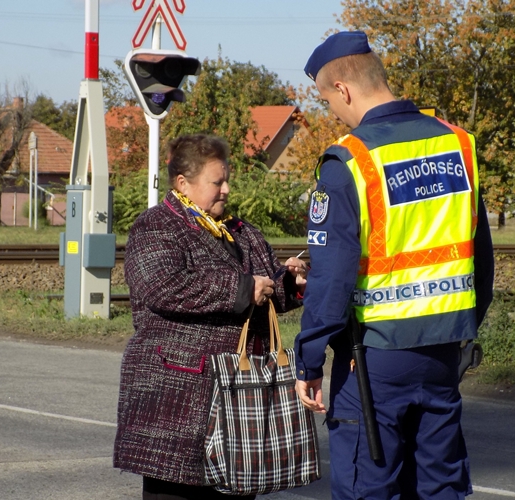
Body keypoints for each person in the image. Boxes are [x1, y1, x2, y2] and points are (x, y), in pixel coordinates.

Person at [293, 31, 495, 500]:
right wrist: (462, 328)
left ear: (342, 89)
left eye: (328, 102)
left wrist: (308, 359)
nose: (334, 114)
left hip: (373, 360)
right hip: (445, 352)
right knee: (439, 487)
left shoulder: (350, 160)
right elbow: (481, 259)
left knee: (370, 487)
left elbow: (332, 277)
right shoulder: (458, 144)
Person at [114, 134, 308, 500]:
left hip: (240, 395)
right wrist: (240, 289)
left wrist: (288, 281)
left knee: (236, 489)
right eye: (217, 182)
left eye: (227, 179)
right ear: (183, 183)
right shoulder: (156, 226)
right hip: (176, 399)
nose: (227, 189)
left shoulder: (241, 232)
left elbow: (263, 292)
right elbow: (163, 287)